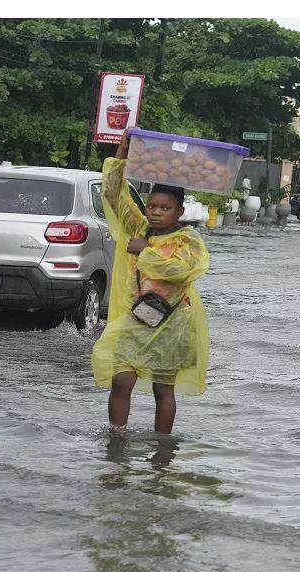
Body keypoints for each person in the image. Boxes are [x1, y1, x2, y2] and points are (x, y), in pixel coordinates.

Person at [92, 130, 211, 434]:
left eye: (165, 208)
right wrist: (121, 153)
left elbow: (181, 271)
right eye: (152, 206)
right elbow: (113, 195)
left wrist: (145, 253)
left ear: (179, 211)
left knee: (163, 390)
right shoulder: (139, 228)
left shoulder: (189, 240)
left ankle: (162, 451)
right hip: (136, 317)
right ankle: (116, 437)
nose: (157, 212)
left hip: (172, 323)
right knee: (122, 380)